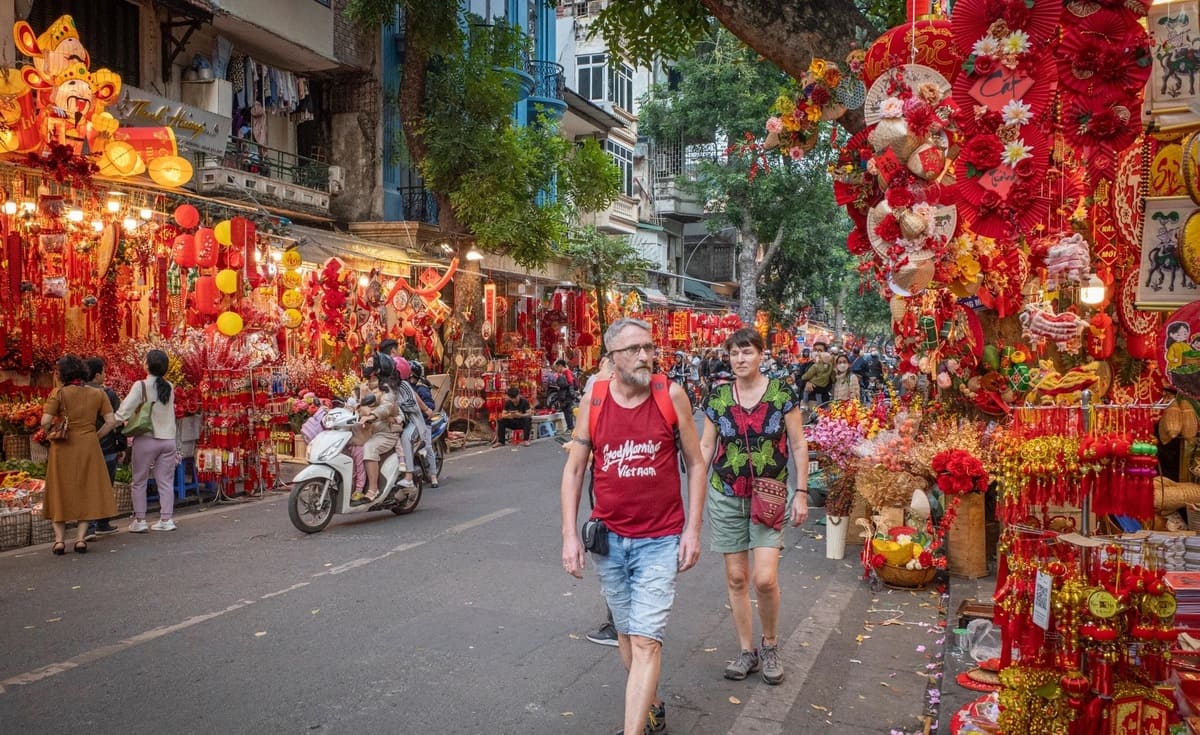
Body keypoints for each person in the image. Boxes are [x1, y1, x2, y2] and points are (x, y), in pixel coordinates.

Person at [561, 318, 707, 735]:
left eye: (648, 347)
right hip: (609, 539)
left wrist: (693, 530)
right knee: (626, 635)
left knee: (645, 640)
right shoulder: (596, 399)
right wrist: (570, 536)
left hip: (659, 540)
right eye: (633, 350)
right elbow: (574, 471)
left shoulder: (670, 395)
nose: (645, 356)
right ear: (611, 358)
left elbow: (696, 465)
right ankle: (653, 704)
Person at [700, 327, 809, 685]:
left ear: (762, 354)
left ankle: (771, 644)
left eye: (747, 352)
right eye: (734, 353)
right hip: (726, 493)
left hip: (770, 494)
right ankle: (747, 651)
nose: (740, 359)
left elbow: (798, 445)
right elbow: (705, 448)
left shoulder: (782, 394)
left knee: (764, 578)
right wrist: (695, 493)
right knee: (736, 578)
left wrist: (803, 492)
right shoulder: (717, 397)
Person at [40, 355, 119, 554]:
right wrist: (95, 435)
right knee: (87, 488)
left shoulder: (58, 393)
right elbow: (111, 421)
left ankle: (59, 541)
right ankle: (81, 539)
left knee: (60, 489)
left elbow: (44, 421)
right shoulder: (97, 394)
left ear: (62, 374)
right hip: (89, 444)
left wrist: (54, 429)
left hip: (63, 446)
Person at [115, 349, 179, 533]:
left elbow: (124, 410)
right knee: (166, 481)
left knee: (139, 480)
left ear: (147, 365)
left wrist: (112, 421)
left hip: (147, 438)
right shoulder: (170, 386)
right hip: (168, 440)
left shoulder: (140, 385)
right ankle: (167, 519)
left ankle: (140, 520)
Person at [347, 360, 400, 503]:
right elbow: (356, 404)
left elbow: (386, 407)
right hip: (367, 431)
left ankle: (373, 489)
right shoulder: (364, 386)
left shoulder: (387, 389)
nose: (367, 366)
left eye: (371, 364)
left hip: (385, 433)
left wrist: (372, 415)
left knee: (369, 448)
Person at [84, 357, 123, 539]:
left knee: (88, 485)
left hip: (86, 447)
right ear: (98, 375)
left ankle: (89, 526)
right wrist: (122, 445)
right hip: (107, 447)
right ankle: (102, 523)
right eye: (104, 372)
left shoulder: (77, 393)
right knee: (106, 485)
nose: (106, 375)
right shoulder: (108, 394)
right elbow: (117, 421)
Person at [394, 357, 439, 488]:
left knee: (427, 446)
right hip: (407, 421)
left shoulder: (420, 389)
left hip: (423, 422)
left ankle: (433, 475)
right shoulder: (399, 386)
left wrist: (425, 409)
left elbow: (428, 406)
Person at [800, 342, 833, 409]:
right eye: (815, 350)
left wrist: (815, 386)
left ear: (825, 353)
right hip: (805, 403)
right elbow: (799, 379)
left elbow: (829, 386)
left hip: (822, 402)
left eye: (820, 350)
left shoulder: (829, 367)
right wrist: (806, 383)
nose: (817, 353)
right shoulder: (805, 364)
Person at [550, 359, 578, 432]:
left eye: (557, 367)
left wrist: (570, 394)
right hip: (567, 395)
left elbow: (570, 382)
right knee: (567, 411)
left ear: (560, 366)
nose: (556, 369)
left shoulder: (566, 372)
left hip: (567, 395)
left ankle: (570, 428)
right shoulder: (565, 372)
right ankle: (570, 427)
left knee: (568, 411)